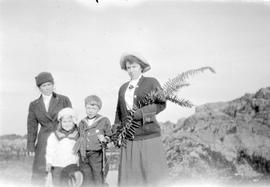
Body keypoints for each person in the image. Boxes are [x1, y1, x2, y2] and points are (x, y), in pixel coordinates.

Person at [113, 53, 168, 187]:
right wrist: (116, 133)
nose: (131, 70)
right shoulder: (123, 88)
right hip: (129, 138)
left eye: (134, 66)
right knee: (131, 178)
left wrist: (141, 113)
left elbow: (161, 104)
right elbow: (119, 112)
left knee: (152, 176)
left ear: (141, 67)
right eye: (128, 67)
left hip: (149, 135)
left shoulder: (151, 82)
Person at [27, 72, 72, 186]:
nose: (47, 88)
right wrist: (30, 145)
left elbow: (70, 121)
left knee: (61, 173)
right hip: (43, 141)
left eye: (49, 84)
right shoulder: (34, 105)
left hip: (61, 138)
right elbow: (32, 126)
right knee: (39, 173)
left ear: (53, 84)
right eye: (43, 85)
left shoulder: (63, 100)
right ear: (39, 88)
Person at [73, 95, 112, 186]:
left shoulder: (103, 120)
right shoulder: (82, 122)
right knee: (86, 178)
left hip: (97, 154)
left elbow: (110, 135)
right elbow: (78, 137)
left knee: (98, 177)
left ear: (98, 109)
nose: (90, 111)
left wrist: (105, 139)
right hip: (83, 155)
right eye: (88, 108)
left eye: (94, 108)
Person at [45, 107, 80, 187]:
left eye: (69, 121)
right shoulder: (54, 136)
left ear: (74, 122)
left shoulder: (77, 136)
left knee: (70, 184)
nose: (67, 124)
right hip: (57, 165)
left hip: (72, 166)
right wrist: (49, 162)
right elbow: (50, 150)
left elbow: (79, 151)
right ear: (60, 123)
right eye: (64, 122)